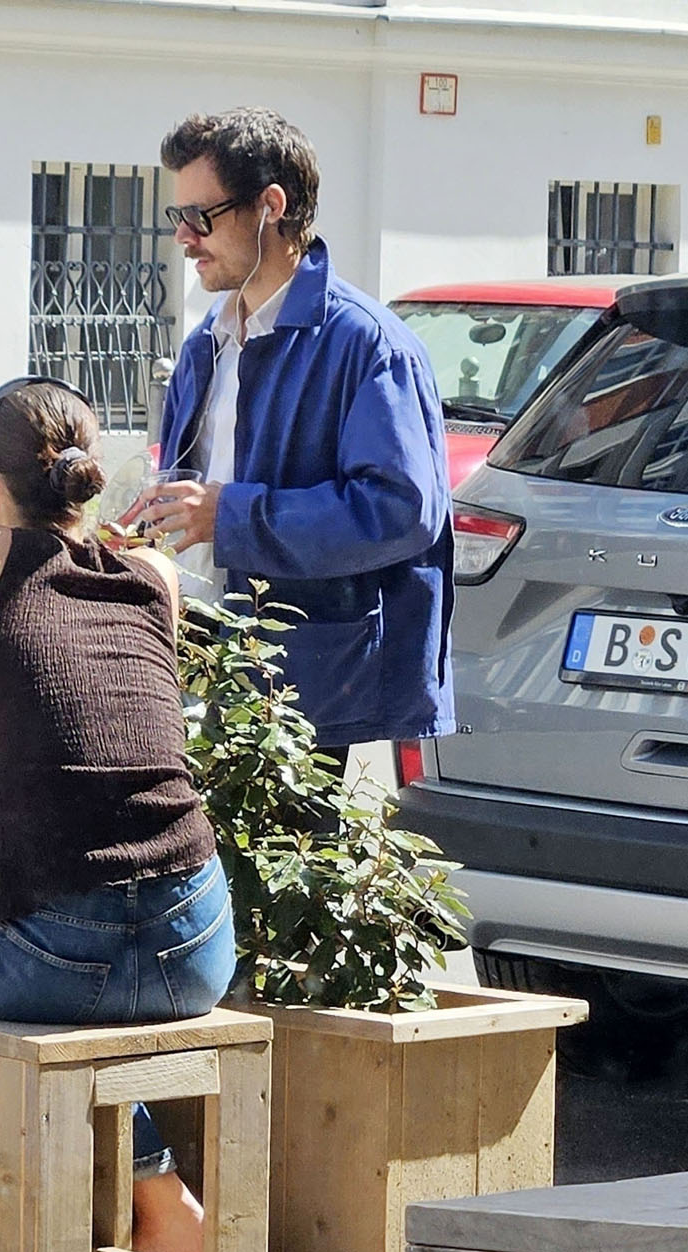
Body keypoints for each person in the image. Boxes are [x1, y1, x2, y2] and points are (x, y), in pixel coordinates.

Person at [0, 376, 235, 1252]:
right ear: (90, 478)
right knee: (32, 956)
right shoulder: (154, 576)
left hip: (53, 951)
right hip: (196, 946)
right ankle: (149, 1197)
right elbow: (103, 728)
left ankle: (3, 1223)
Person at [130, 107, 454, 769]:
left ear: (270, 206)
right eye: (177, 216)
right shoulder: (206, 341)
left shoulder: (369, 345)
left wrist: (229, 516)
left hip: (302, 681)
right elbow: (192, 483)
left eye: (199, 216)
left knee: (282, 840)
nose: (183, 236)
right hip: (191, 654)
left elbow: (400, 511)